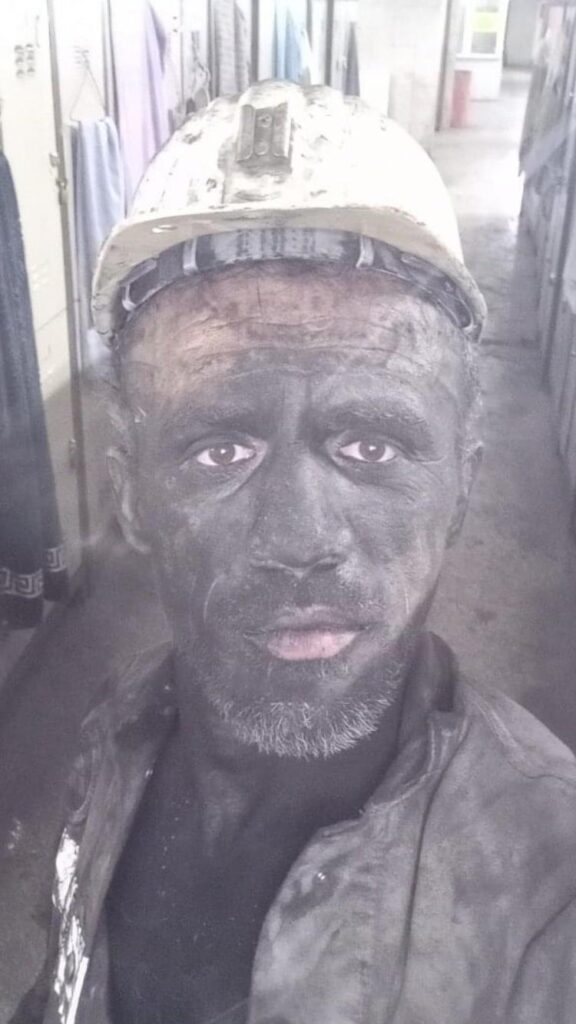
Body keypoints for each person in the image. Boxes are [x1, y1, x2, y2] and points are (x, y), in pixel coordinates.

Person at [14, 81, 576, 1024]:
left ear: (462, 486)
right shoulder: (119, 729)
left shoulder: (550, 890)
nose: (299, 540)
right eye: (220, 451)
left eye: (371, 446)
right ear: (133, 496)